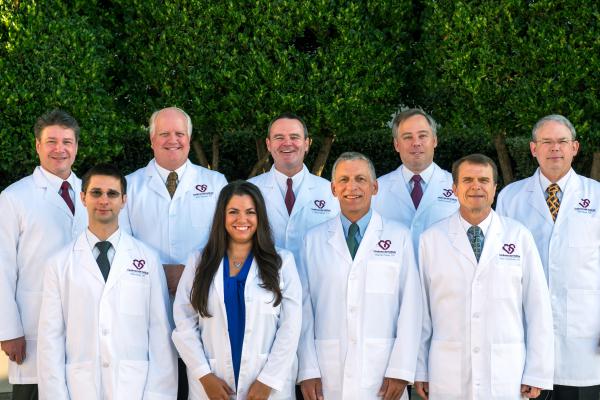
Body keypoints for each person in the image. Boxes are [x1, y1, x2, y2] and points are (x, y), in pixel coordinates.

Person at [415, 154, 553, 400]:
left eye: (483, 180)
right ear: (455, 188)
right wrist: (420, 367)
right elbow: (421, 313)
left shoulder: (518, 236)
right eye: (467, 180)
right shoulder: (431, 239)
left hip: (506, 370)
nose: (476, 186)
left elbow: (537, 307)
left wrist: (537, 371)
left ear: (494, 188)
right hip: (448, 371)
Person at [37, 164, 177, 399]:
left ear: (124, 200)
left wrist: (158, 394)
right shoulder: (59, 264)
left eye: (112, 194)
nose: (104, 200)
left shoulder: (147, 259)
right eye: (96, 193)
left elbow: (160, 334)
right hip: (80, 387)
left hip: (135, 387)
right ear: (83, 198)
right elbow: (51, 339)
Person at [120, 107, 227, 399]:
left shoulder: (216, 183)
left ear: (189, 139)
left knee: (199, 377)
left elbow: (226, 240)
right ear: (152, 139)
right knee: (157, 385)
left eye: (179, 133)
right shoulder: (129, 185)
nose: (173, 140)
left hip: (202, 301)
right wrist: (160, 272)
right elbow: (121, 244)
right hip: (146, 301)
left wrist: (189, 273)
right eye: (164, 134)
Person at [298, 152, 422, 400]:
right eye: (343, 180)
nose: (351, 187)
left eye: (360, 179)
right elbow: (303, 309)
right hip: (327, 372)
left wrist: (400, 369)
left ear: (374, 187)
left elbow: (412, 307)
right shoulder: (313, 240)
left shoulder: (399, 236)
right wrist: (307, 369)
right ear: (333, 189)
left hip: (382, 373)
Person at [496, 115, 600, 400]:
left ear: (575, 147)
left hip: (586, 342)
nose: (555, 148)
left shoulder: (598, 196)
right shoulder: (510, 198)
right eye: (547, 142)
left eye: (562, 141)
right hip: (526, 342)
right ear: (533, 149)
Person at [172, 180, 302, 400]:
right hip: (212, 385)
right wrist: (204, 375)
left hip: (266, 386)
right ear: (221, 217)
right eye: (233, 212)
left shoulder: (282, 262)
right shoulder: (199, 261)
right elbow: (184, 321)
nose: (242, 219)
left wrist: (267, 380)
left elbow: (291, 327)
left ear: (259, 217)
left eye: (250, 212)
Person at [0, 109, 88, 400]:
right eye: (51, 141)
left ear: (76, 147)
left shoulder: (91, 194)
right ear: (37, 145)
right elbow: (2, 267)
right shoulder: (14, 197)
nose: (59, 149)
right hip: (32, 329)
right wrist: (8, 330)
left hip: (83, 327)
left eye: (67, 141)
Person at [248, 112, 339, 265]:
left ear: (307, 144)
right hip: (265, 283)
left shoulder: (330, 192)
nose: (287, 143)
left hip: (314, 285)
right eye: (279, 137)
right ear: (268, 144)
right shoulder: (249, 189)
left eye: (295, 137)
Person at [373, 108, 458, 254]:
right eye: (407, 137)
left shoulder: (459, 186)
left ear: (435, 140)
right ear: (396, 145)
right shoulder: (376, 190)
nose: (416, 143)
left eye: (423, 135)